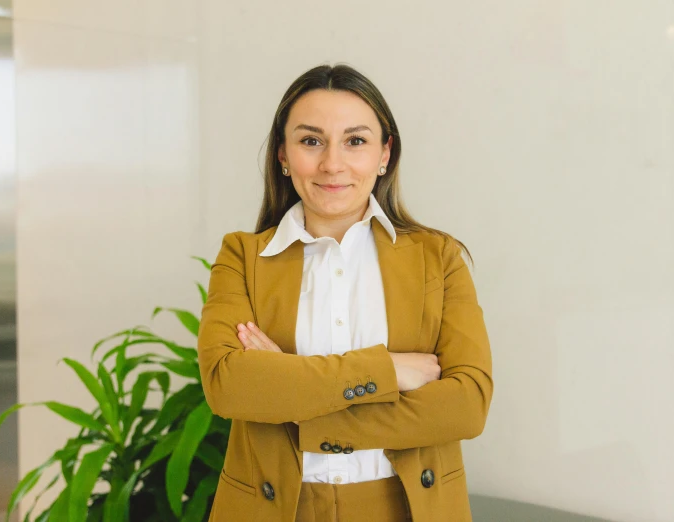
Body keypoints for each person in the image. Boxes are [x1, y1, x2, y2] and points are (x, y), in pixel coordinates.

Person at [197, 63, 493, 522]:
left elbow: (467, 405)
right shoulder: (242, 257)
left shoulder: (439, 258)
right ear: (282, 154)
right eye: (310, 140)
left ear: (384, 154)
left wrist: (292, 395)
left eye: (355, 141)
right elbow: (229, 386)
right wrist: (386, 371)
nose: (332, 163)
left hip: (406, 509)